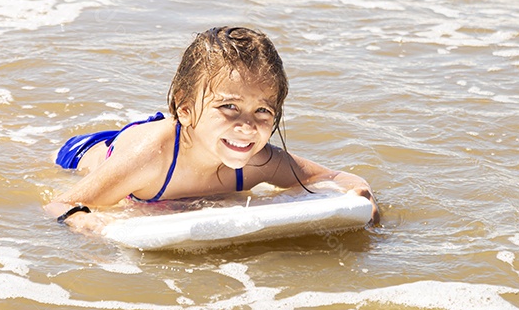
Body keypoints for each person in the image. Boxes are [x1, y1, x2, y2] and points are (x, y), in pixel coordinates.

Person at [44, 26, 378, 232]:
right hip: (82, 153)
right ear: (186, 109)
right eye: (229, 107)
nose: (247, 126)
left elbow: (333, 178)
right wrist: (84, 221)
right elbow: (58, 205)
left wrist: (363, 197)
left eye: (263, 111)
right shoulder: (150, 159)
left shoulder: (259, 161)